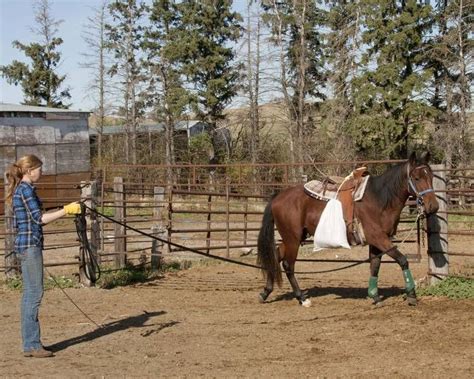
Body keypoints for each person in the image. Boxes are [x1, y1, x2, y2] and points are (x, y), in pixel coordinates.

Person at [5, 154, 82, 358]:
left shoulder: (23, 190)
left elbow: (33, 221)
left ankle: (30, 343)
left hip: (27, 245)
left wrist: (63, 211)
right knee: (34, 293)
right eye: (39, 168)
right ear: (30, 170)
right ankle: (31, 344)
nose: (42, 171)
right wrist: (66, 210)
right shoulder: (26, 191)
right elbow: (39, 219)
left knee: (30, 294)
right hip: (30, 247)